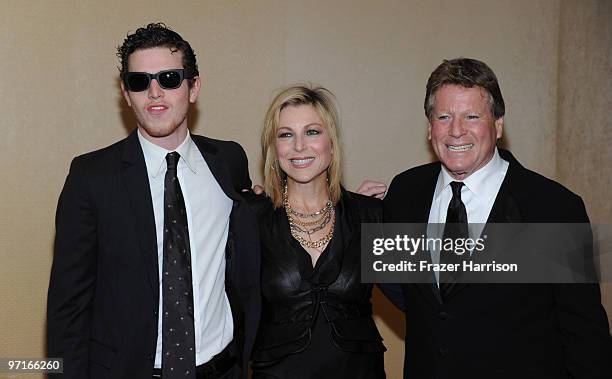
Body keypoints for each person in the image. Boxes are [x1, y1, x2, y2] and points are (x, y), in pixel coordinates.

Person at [47, 23, 260, 379]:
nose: (155, 93)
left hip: (224, 369)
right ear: (126, 93)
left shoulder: (229, 161)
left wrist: (359, 207)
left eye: (170, 78)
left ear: (194, 87)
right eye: (140, 82)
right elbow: (68, 309)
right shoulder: (91, 178)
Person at [380, 58, 611, 378]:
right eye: (443, 117)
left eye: (471, 116)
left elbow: (585, 336)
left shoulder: (553, 208)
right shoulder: (405, 193)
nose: (456, 130)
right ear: (429, 126)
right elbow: (416, 299)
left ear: (498, 125)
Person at [246, 85, 386, 378]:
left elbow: (434, 293)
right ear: (274, 149)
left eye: (312, 132)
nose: (299, 146)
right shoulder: (250, 219)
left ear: (331, 144)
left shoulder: (370, 216)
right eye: (286, 134)